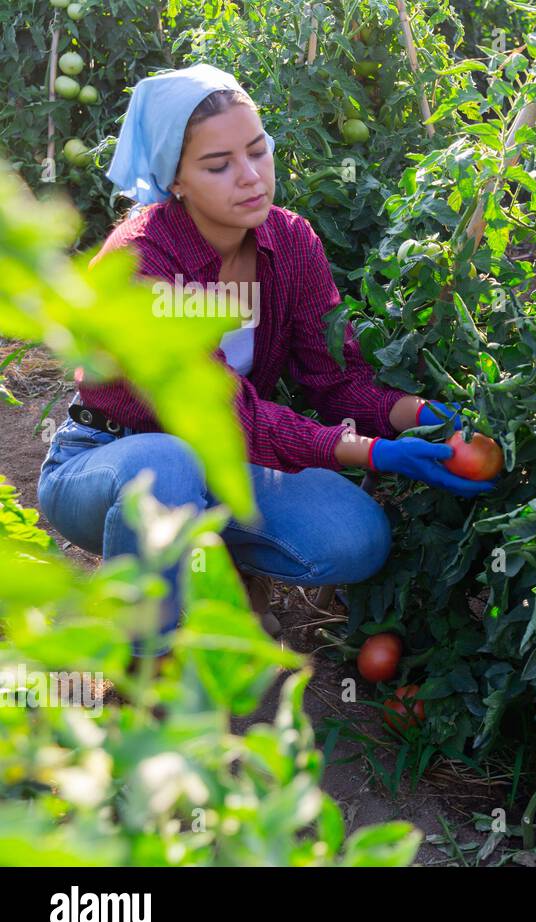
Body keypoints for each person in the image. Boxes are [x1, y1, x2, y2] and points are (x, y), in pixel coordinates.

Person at [36, 64, 492, 654]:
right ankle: (148, 660)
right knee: (168, 465)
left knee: (354, 537)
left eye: (258, 151)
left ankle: (212, 566)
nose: (250, 177)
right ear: (175, 179)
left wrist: (418, 414)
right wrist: (377, 452)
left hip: (222, 462)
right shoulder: (141, 266)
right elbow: (233, 416)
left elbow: (336, 381)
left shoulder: (290, 241)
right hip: (107, 463)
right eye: (218, 165)